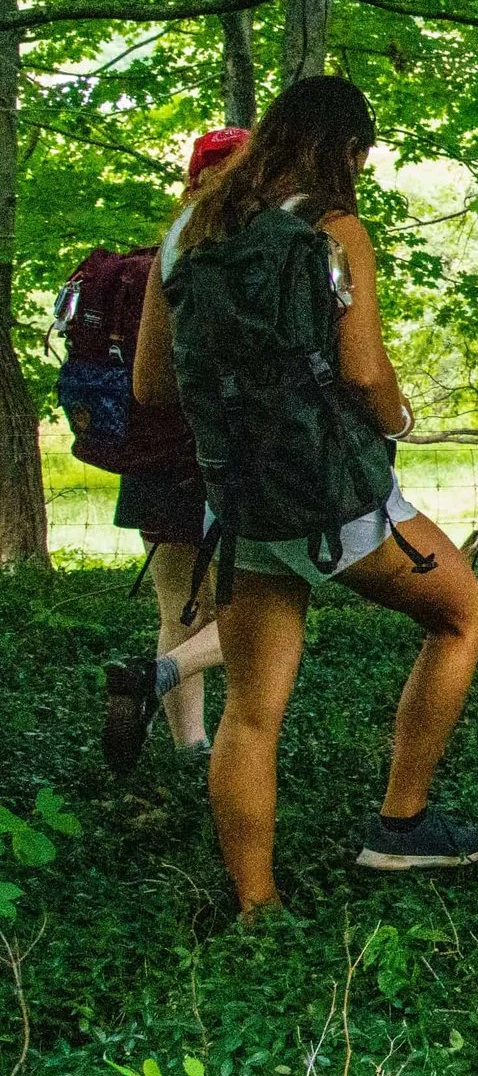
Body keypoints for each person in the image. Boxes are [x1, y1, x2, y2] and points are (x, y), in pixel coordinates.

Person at [132, 76, 478, 915]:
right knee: (461, 613)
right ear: (347, 152)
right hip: (337, 500)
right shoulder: (333, 231)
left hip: (244, 505)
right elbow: (364, 369)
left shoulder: (187, 230)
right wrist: (398, 416)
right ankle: (402, 823)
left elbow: (151, 383)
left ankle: (257, 904)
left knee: (252, 711)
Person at [102, 127, 247, 769]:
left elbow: (145, 380)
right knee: (258, 611)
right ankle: (158, 680)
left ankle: (191, 747)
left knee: (177, 610)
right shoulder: (235, 253)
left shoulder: (163, 249)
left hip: (149, 455)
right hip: (217, 459)